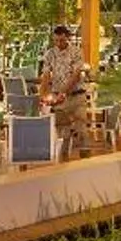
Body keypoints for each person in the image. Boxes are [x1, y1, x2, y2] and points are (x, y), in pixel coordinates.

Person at [37, 24, 93, 155]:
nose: (58, 43)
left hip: (77, 97)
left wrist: (63, 92)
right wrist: (42, 95)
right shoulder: (50, 54)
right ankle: (63, 163)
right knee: (63, 132)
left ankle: (87, 164)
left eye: (61, 40)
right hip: (59, 100)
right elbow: (45, 76)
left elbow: (75, 76)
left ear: (68, 38)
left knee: (82, 131)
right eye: (56, 40)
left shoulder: (76, 52)